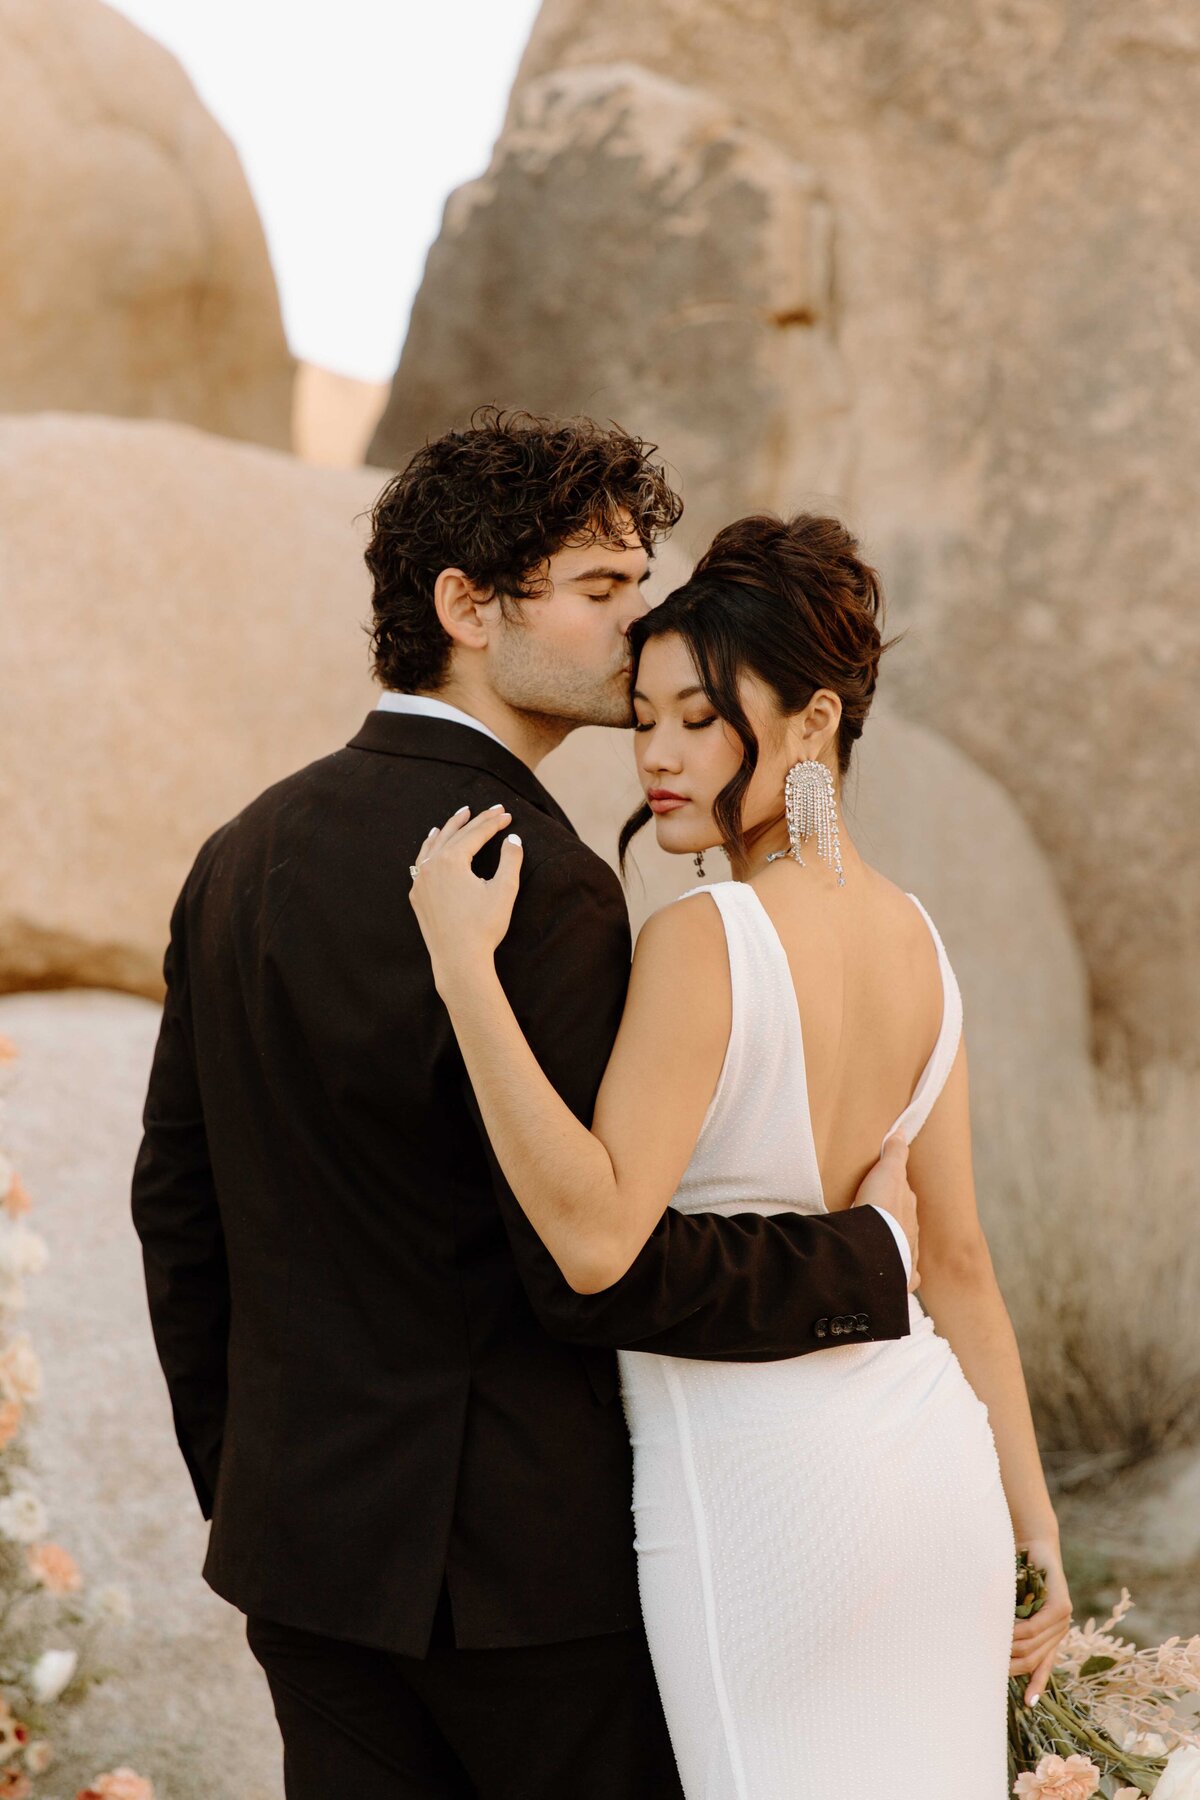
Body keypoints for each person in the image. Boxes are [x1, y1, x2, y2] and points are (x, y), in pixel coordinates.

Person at [130, 413, 920, 1800]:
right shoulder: (540, 883)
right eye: (604, 589)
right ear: (467, 608)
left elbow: (177, 1213)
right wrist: (864, 1263)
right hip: (525, 1588)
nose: (638, 629)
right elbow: (590, 1264)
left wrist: (248, 1482)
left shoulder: (239, 854)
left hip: (302, 1561)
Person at [407, 508, 1074, 1799]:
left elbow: (597, 1239)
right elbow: (966, 1267)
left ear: (812, 726)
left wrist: (463, 976)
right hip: (937, 1488)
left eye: (700, 719)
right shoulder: (925, 945)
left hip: (770, 1516)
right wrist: (1037, 1530)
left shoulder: (705, 939)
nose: (654, 753)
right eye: (644, 715)